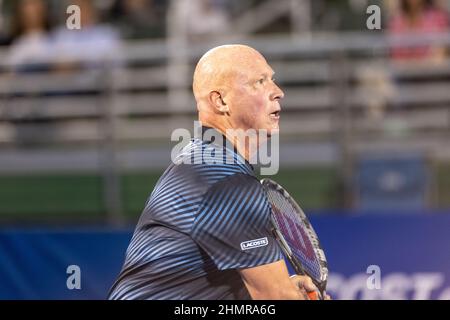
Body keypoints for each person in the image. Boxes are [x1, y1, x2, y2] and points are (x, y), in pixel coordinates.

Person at [108, 44, 321, 300]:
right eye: (259, 82)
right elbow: (274, 299)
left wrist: (283, 289)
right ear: (220, 101)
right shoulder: (225, 181)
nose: (278, 92)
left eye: (272, 80)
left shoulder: (203, 159)